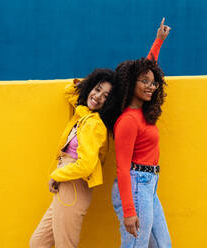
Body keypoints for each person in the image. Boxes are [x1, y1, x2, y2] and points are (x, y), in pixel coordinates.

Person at [29, 18, 170, 248]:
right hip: (123, 183)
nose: (99, 97)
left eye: (106, 96)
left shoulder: (99, 122)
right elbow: (71, 92)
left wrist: (158, 41)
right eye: (97, 90)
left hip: (118, 183)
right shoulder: (87, 114)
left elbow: (145, 72)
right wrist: (90, 87)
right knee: (38, 243)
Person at [112, 20, 172, 247]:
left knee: (163, 245)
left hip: (149, 186)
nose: (150, 85)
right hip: (136, 186)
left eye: (153, 82)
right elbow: (122, 167)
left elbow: (147, 66)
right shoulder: (128, 120)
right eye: (144, 82)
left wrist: (158, 40)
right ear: (131, 83)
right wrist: (129, 211)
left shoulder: (142, 113)